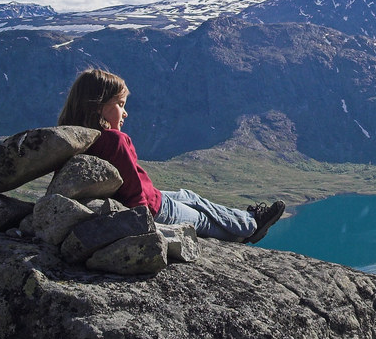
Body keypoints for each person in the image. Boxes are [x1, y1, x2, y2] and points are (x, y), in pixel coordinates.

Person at [57, 67, 284, 244]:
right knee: (201, 218)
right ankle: (247, 231)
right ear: (98, 106)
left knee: (191, 196)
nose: (125, 112)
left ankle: (248, 220)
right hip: (154, 208)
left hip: (152, 197)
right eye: (120, 104)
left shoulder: (75, 138)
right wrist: (142, 224)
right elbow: (135, 191)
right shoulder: (116, 140)